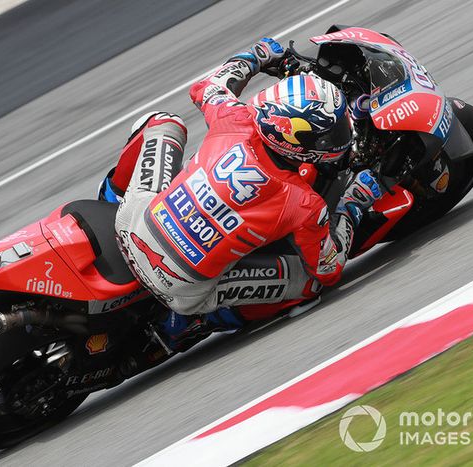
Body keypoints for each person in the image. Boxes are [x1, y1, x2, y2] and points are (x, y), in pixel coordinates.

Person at [100, 38, 382, 350]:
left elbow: (205, 86)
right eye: (332, 132)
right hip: (180, 289)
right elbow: (328, 268)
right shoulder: (304, 204)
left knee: (162, 123)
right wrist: (354, 202)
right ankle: (197, 322)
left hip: (130, 227)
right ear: (297, 142)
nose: (341, 135)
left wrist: (258, 57)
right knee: (310, 283)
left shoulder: (234, 118)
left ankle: (113, 195)